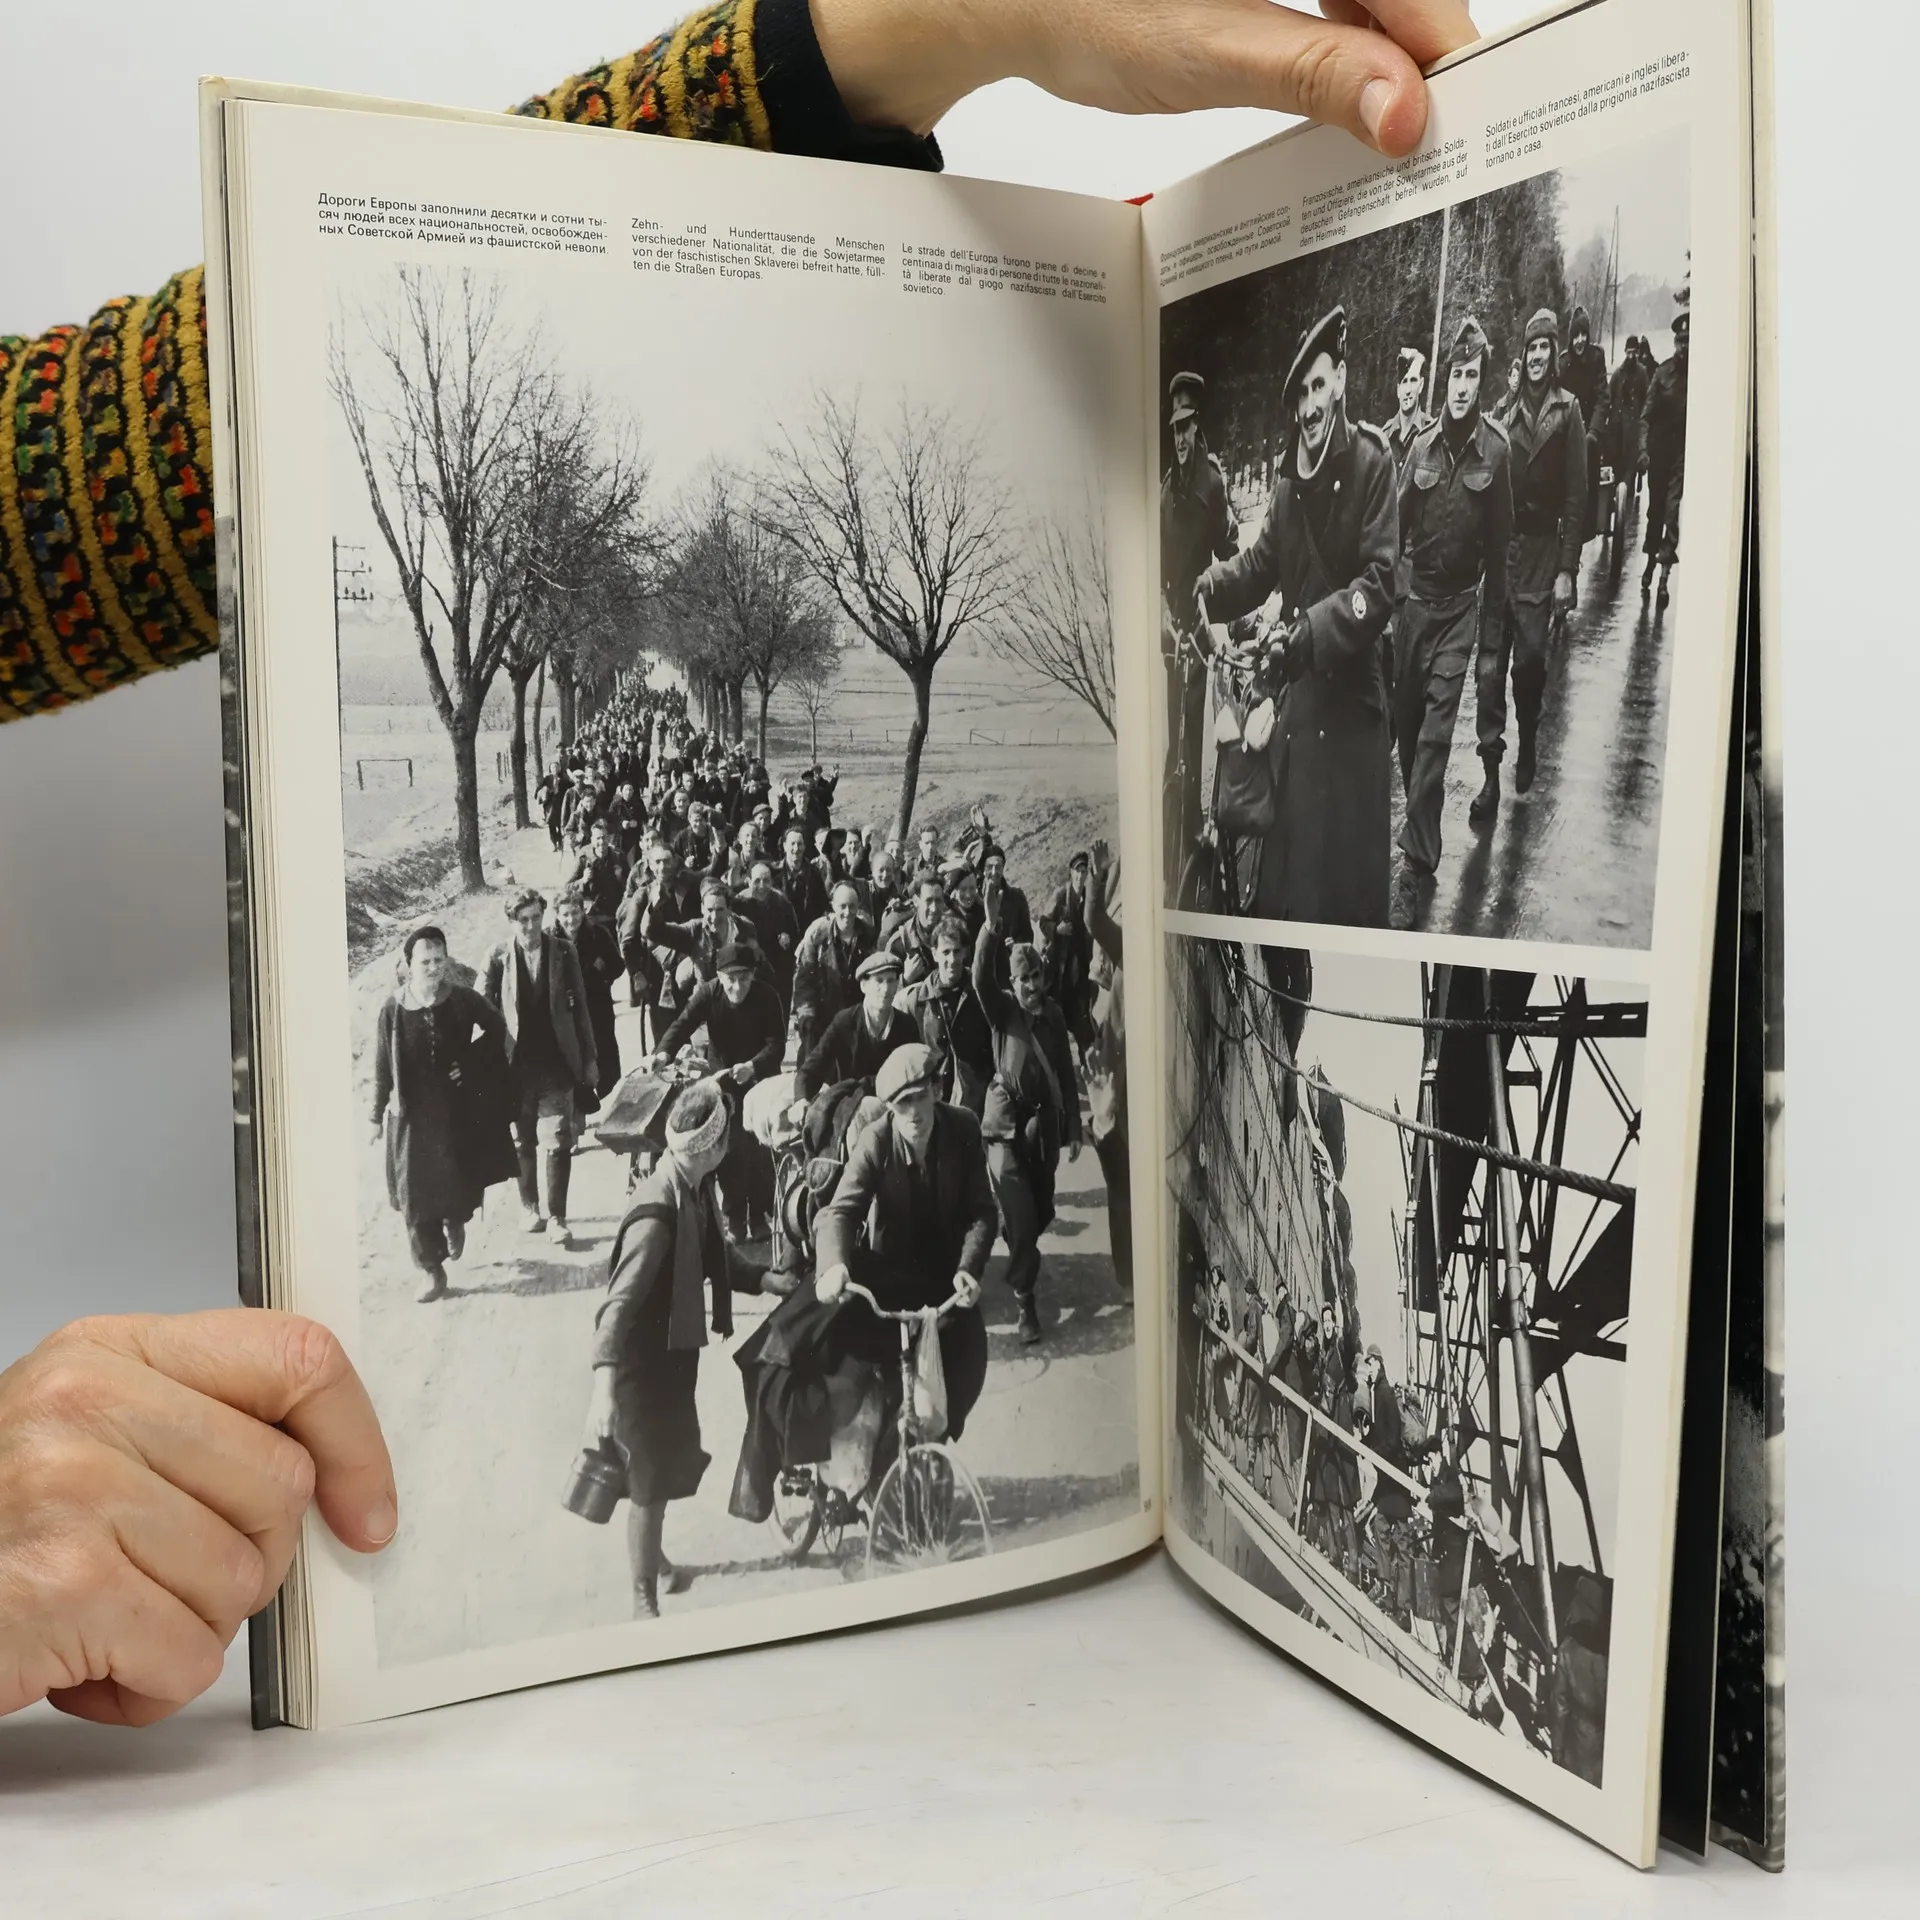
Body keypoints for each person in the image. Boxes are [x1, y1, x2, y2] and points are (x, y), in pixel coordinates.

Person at [0, 0, 1476, 1728]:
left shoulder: (907, 1093)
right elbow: (803, 1181)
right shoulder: (730, 1124)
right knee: (719, 1391)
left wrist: (859, 41)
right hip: (740, 1220)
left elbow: (92, 470)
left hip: (1225, 857)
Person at [1196, 305, 1398, 927]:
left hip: (1354, 705)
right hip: (1301, 703)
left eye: (1318, 386)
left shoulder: (1372, 463)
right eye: (1300, 396)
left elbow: (1380, 582)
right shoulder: (1286, 485)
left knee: (1348, 888)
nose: (1309, 407)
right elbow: (1260, 563)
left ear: (1340, 381)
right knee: (1291, 882)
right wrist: (1208, 586)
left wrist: (1309, 632)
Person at [581, 1083, 770, 1618]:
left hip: (670, 1360)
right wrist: (602, 1391)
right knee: (647, 1485)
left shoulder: (692, 1185)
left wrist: (764, 1279)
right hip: (640, 1370)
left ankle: (655, 1562)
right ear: (713, 1147)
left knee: (658, 1473)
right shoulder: (657, 1216)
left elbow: (713, 1255)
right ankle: (643, 1599)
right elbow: (616, 1308)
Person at [1388, 314, 1513, 930]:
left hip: (1461, 611)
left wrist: (1491, 640)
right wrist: (1389, 604)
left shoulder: (1497, 451)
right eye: (1455, 375)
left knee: (1436, 737)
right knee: (1409, 733)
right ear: (1445, 380)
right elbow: (1392, 532)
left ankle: (1414, 865)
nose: (1461, 386)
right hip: (1415, 608)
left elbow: (1501, 552)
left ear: (1481, 379)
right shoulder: (1420, 448)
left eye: (1471, 375)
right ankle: (1425, 829)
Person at [813, 1042, 996, 1448]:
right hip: (891, 1276)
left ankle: (936, 1450)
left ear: (937, 1090)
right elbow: (840, 1212)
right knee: (882, 1379)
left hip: (947, 1277)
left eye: (919, 1098)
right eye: (901, 1105)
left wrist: (969, 1267)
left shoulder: (963, 1128)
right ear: (890, 1109)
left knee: (964, 1364)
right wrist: (834, 1266)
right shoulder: (876, 1140)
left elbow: (983, 1211)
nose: (913, 1113)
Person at [1479, 306, 1587, 822]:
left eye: (1546, 346)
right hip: (1504, 554)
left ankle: (1527, 740)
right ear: (1523, 355)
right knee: (1488, 669)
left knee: (1529, 664)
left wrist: (1568, 569)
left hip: (1544, 557)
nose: (1538, 355)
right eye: (1532, 347)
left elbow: (1577, 497)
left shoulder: (1569, 411)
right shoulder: (1505, 411)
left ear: (1554, 353)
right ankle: (1490, 776)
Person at [369, 926, 515, 1302]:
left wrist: (470, 1062)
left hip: (455, 1113)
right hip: (411, 1119)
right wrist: (375, 1114)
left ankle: (455, 1221)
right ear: (408, 965)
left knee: (456, 1183)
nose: (433, 968)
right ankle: (432, 1270)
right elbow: (383, 1065)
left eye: (439, 960)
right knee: (414, 1196)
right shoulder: (393, 1009)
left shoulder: (462, 999)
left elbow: (497, 1027)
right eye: (425, 962)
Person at [972, 893, 1082, 1345]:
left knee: (1039, 1211)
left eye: (1036, 976)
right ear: (1012, 983)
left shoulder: (1053, 1014)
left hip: (1043, 1127)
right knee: (1020, 1214)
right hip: (1002, 1126)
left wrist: (1074, 1128)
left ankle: (1018, 1238)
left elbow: (1066, 1074)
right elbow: (979, 978)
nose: (1032, 986)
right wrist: (989, 929)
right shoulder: (1002, 1009)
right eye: (1024, 979)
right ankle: (1025, 1301)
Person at [1158, 369, 1239, 886]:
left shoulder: (1212, 484)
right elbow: (1156, 561)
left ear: (1197, 426)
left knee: (1192, 740)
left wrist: (1219, 606)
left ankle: (1190, 839)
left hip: (1200, 626)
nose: (1180, 438)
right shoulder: (1166, 488)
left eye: (1186, 427)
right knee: (1173, 737)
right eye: (1174, 428)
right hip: (1170, 630)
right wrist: (1160, 608)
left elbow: (1229, 552)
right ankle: (1173, 837)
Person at [484, 888, 598, 1248]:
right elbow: (481, 1011)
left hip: (556, 1063)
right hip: (516, 1067)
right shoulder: (498, 957)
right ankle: (529, 1206)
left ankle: (558, 1217)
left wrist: (589, 1057)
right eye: (523, 920)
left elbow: (581, 1008)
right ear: (511, 921)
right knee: (523, 1138)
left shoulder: (563, 952)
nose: (531, 926)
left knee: (559, 1138)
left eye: (536, 917)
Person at [649, 944, 786, 1239]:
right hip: (724, 1078)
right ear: (720, 978)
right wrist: (663, 1053)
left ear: (753, 975)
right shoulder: (709, 993)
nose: (737, 986)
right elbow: (683, 1023)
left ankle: (759, 1216)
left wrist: (753, 1066)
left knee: (761, 1149)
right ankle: (734, 1217)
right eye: (730, 979)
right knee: (730, 1149)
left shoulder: (767, 996)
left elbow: (777, 1045)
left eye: (744, 978)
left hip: (760, 1079)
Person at [798, 948, 921, 1099]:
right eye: (879, 981)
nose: (885, 989)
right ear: (864, 986)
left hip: (893, 1104)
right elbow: (812, 1069)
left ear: (897, 984)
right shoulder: (845, 1022)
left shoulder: (907, 1026)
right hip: (850, 1104)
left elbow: (917, 1074)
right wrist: (801, 1100)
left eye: (891, 980)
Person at [915, 913, 995, 1116]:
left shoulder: (979, 991)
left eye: (957, 951)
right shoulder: (919, 1000)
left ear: (965, 952)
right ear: (934, 954)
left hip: (977, 1098)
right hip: (936, 1098)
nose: (952, 960)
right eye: (946, 952)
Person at [553, 887, 623, 1112]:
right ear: (557, 916)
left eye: (575, 913)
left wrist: (600, 973)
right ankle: (579, 1111)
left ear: (583, 911)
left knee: (605, 1056)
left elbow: (618, 966)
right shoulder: (550, 940)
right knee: (572, 1059)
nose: (570, 919)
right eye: (565, 914)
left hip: (597, 1006)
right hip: (566, 1011)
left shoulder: (598, 934)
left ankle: (612, 1107)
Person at [1638, 307, 1690, 607]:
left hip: (1680, 457)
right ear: (1674, 343)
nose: (1685, 347)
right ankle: (1649, 562)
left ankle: (1663, 580)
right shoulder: (1661, 374)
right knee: (1656, 513)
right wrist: (1643, 450)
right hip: (1658, 456)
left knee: (1671, 514)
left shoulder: (1700, 377)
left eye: (1690, 341)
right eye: (1681, 341)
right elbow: (1645, 417)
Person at [792, 880, 876, 1058]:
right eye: (842, 906)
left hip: (855, 1017)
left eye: (852, 906)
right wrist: (806, 1016)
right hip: (823, 1015)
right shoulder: (817, 934)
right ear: (833, 906)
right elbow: (803, 980)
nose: (847, 913)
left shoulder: (868, 936)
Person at [1559, 304, 1611, 546]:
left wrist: (1593, 432)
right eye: (1576, 335)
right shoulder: (1563, 363)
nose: (1580, 340)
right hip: (1566, 431)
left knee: (1587, 482)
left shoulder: (1596, 358)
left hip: (1589, 433)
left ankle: (1583, 534)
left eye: (1584, 335)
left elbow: (1602, 397)